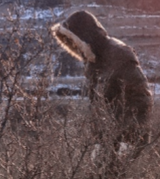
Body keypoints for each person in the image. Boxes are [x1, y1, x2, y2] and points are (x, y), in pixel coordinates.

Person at [51, 10, 153, 145]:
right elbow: (99, 103)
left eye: (73, 39)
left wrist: (128, 139)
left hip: (127, 140)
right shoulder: (93, 60)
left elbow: (142, 98)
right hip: (108, 138)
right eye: (69, 41)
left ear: (84, 37)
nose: (73, 45)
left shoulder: (118, 55)